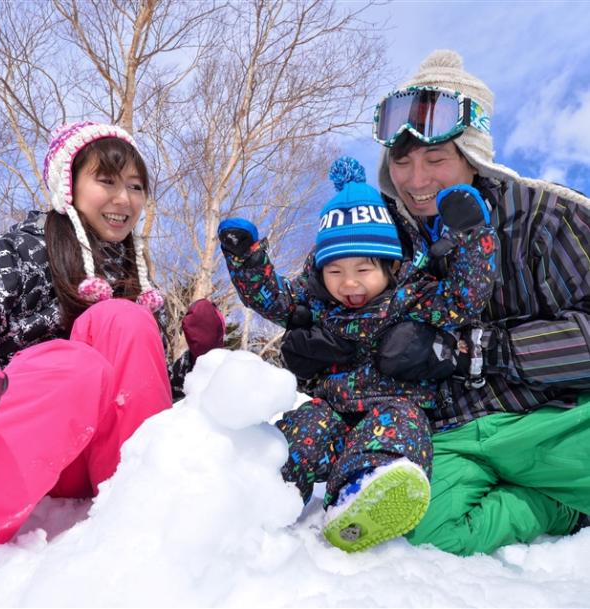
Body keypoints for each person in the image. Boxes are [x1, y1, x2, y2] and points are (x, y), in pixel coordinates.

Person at [0, 121, 223, 591]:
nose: (125, 199)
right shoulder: (23, 250)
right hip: (20, 440)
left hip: (92, 462)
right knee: (76, 365)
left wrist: (201, 364)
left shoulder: (134, 279)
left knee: (123, 320)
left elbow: (142, 396)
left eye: (135, 187)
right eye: (106, 181)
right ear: (69, 186)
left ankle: (148, 503)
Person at [365, 49, 590, 555]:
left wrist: (474, 350)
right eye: (401, 161)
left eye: (436, 159)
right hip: (461, 436)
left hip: (557, 420)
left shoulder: (548, 219)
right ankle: (556, 505)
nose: (416, 181)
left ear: (473, 155)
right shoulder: (392, 245)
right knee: (421, 530)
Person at [217, 156, 498, 552]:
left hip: (394, 404)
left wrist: (472, 234)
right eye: (335, 271)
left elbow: (465, 297)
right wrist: (246, 258)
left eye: (363, 269)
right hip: (332, 409)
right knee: (302, 428)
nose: (348, 282)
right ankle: (260, 492)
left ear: (389, 266)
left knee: (401, 426)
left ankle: (364, 493)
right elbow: (271, 298)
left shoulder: (413, 298)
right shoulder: (317, 304)